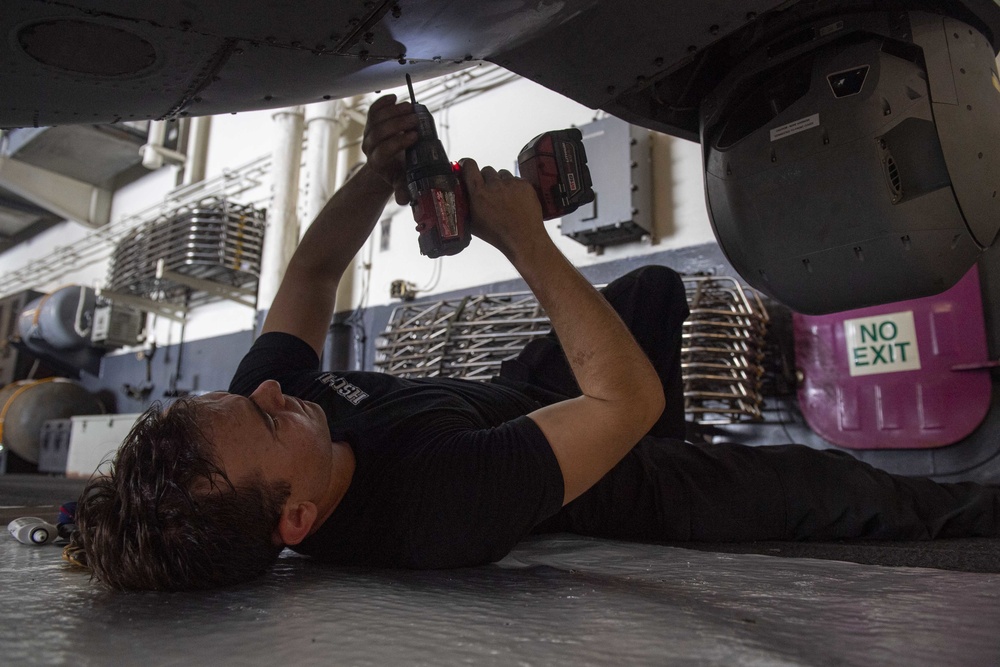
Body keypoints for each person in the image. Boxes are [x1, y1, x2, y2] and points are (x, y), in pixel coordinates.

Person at [74, 96, 1000, 591]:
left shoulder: (269, 419)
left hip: (513, 403)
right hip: (612, 475)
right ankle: (975, 514)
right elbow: (621, 405)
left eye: (254, 396)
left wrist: (375, 174)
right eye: (268, 420)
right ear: (297, 524)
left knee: (649, 287)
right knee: (839, 493)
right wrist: (523, 237)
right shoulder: (431, 509)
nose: (274, 392)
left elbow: (311, 279)